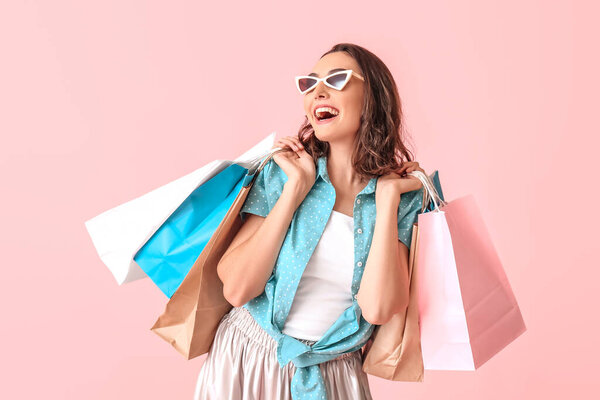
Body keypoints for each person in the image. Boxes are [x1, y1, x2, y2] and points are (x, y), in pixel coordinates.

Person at [194, 42, 427, 400]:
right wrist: (294, 191)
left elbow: (378, 308)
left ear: (372, 97)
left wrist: (387, 199)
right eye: (309, 83)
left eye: (336, 79)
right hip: (248, 359)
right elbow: (238, 289)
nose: (318, 91)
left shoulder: (402, 196)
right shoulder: (283, 172)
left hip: (335, 376)